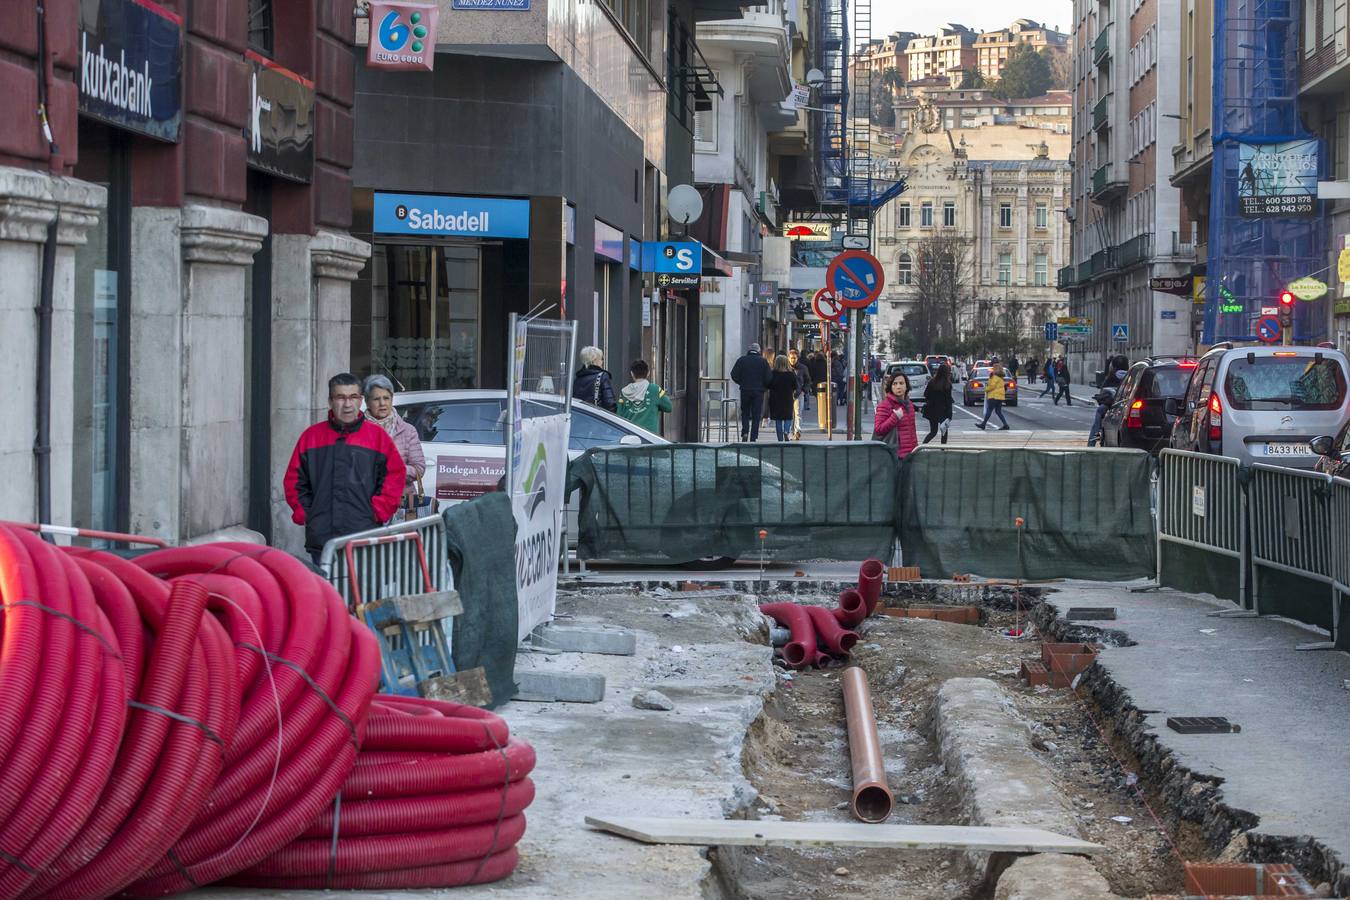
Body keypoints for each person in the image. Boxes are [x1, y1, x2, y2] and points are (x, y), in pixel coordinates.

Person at [285, 373, 407, 565]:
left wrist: (376, 511)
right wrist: (308, 513)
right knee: (327, 594)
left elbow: (394, 476)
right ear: (330, 401)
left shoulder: (377, 437)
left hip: (364, 534)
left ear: (360, 401)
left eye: (353, 397)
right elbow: (295, 481)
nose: (347, 404)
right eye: (340, 397)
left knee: (363, 594)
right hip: (323, 538)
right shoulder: (311, 437)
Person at [362, 374, 427, 519]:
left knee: (401, 542)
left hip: (402, 505)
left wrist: (392, 468)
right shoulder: (358, 430)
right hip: (367, 505)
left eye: (386, 398)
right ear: (367, 401)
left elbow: (419, 469)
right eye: (376, 399)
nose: (382, 403)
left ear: (392, 399)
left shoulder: (407, 430)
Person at [617, 359, 672, 433]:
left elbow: (619, 415)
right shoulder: (655, 389)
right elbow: (669, 407)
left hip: (629, 435)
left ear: (632, 374)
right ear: (648, 373)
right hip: (649, 436)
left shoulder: (623, 392)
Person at [872, 371, 919, 459]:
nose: (898, 387)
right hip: (894, 456)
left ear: (906, 386)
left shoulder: (909, 404)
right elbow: (878, 430)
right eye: (895, 384)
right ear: (891, 387)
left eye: (901, 383)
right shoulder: (885, 405)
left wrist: (915, 450)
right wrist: (895, 417)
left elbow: (912, 430)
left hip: (911, 454)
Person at [730, 342, 771, 441]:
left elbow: (734, 374)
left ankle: (745, 432)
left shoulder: (742, 360)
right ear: (758, 351)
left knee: (745, 412)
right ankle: (753, 436)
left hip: (745, 390)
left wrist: (741, 382)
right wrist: (764, 387)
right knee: (756, 414)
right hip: (758, 391)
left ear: (749, 350)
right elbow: (768, 378)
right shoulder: (763, 361)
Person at [1088, 355, 1130, 446]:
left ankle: (1093, 440)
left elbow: (1103, 389)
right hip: (1126, 404)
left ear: (1114, 366)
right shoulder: (1130, 375)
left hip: (1110, 405)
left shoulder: (1111, 375)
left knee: (1099, 412)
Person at [573, 346, 617, 412]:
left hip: (581, 417)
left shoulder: (578, 378)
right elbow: (610, 404)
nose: (602, 361)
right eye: (601, 359)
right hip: (597, 418)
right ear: (594, 360)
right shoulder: (602, 376)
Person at [767, 354, 799, 442]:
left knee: (778, 419)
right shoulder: (791, 374)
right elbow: (795, 386)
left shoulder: (773, 374)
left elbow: (768, 385)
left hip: (775, 399)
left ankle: (780, 439)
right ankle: (786, 431)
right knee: (788, 417)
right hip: (787, 398)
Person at [922, 362, 954, 445]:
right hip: (943, 411)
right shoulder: (947, 384)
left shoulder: (932, 382)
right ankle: (943, 448)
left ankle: (922, 445)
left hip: (932, 410)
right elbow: (948, 400)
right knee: (944, 431)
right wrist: (949, 415)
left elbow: (926, 394)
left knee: (933, 432)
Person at [974, 364, 1011, 431]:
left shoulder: (995, 377)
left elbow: (992, 386)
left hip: (993, 396)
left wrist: (986, 389)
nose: (992, 370)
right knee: (998, 411)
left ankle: (983, 424)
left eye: (993, 369)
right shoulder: (1001, 378)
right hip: (1000, 397)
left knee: (989, 410)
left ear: (996, 370)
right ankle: (1005, 425)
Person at [788, 348, 810, 438]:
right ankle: (789, 431)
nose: (793, 360)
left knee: (797, 413)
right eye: (791, 358)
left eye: (794, 358)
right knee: (789, 413)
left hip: (799, 392)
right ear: (788, 358)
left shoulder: (803, 368)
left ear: (797, 358)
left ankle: (797, 430)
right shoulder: (786, 368)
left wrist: (804, 390)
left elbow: (808, 380)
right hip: (788, 393)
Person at [808, 350, 831, 432]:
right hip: (825, 382)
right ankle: (825, 413)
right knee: (825, 398)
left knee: (819, 398)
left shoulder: (814, 363)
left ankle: (821, 411)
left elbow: (811, 373)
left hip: (816, 383)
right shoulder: (825, 364)